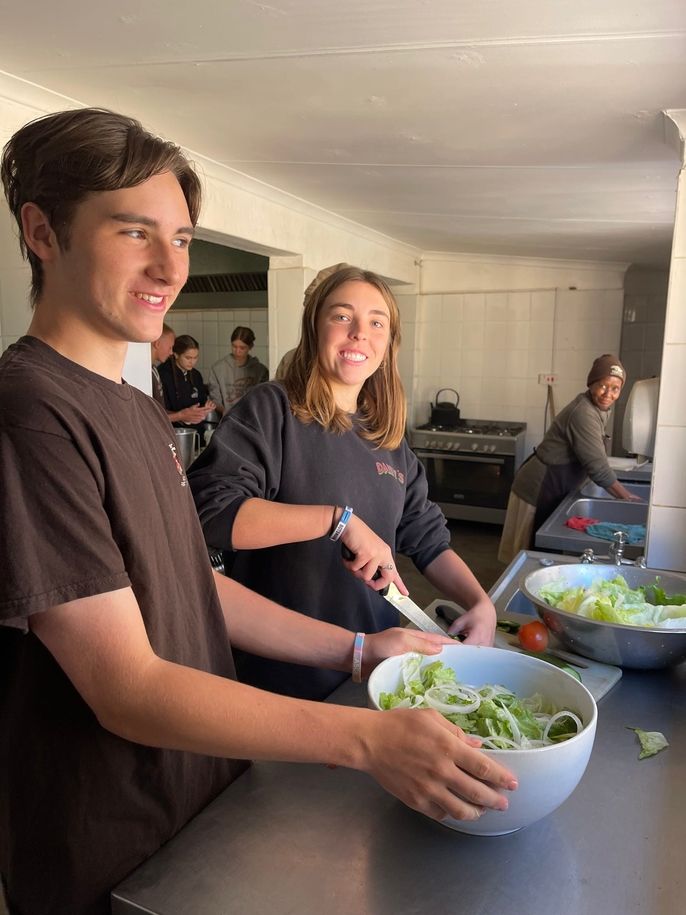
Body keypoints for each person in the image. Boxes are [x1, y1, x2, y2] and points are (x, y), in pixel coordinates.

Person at [0, 108, 516, 915]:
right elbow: (125, 686)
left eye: (182, 237)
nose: (170, 265)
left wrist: (359, 652)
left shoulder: (133, 411)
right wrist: (366, 737)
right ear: (42, 232)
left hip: (202, 795)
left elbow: (192, 586)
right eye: (135, 232)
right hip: (111, 837)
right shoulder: (32, 408)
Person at [189, 265, 499, 701]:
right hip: (281, 677)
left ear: (389, 344)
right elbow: (211, 514)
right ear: (315, 327)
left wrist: (480, 603)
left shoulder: (387, 438)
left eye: (377, 323)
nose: (359, 333)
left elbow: (427, 538)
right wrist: (339, 521)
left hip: (376, 668)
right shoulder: (272, 410)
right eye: (342, 316)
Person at [498, 354, 643, 563]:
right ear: (591, 384)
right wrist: (627, 498)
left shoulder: (598, 409)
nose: (608, 394)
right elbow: (598, 468)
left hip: (554, 483)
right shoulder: (583, 413)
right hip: (540, 487)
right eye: (602, 386)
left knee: (538, 555)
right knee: (529, 556)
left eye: (615, 388)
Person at [158, 333, 216, 441]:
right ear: (175, 354)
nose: (192, 362)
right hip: (174, 434)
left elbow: (201, 401)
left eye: (195, 358)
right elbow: (160, 411)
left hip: (196, 433)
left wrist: (206, 407)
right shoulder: (163, 374)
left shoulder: (196, 375)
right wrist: (183, 416)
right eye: (188, 358)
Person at [207, 325, 268, 415]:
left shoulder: (260, 371)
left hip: (252, 419)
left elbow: (262, 400)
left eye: (242, 348)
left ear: (250, 347)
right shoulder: (218, 368)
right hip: (226, 419)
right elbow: (215, 399)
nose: (237, 351)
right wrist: (226, 413)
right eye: (234, 346)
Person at [150, 322, 175, 405]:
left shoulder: (154, 369)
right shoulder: (145, 372)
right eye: (170, 347)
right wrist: (181, 415)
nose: (171, 352)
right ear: (157, 344)